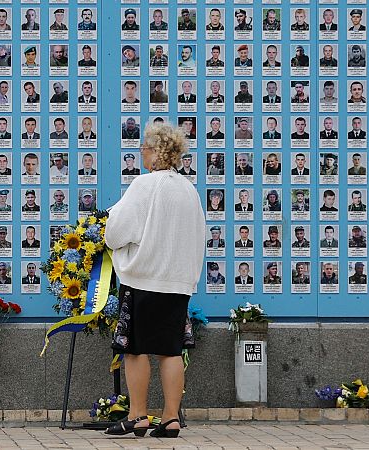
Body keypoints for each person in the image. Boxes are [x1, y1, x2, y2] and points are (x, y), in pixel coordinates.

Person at [104, 122, 205, 438]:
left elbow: (116, 233)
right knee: (171, 350)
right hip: (177, 284)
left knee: (135, 349)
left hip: (144, 280)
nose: (140, 153)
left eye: (143, 148)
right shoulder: (189, 189)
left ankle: (137, 416)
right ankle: (171, 418)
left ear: (156, 151)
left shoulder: (144, 185)